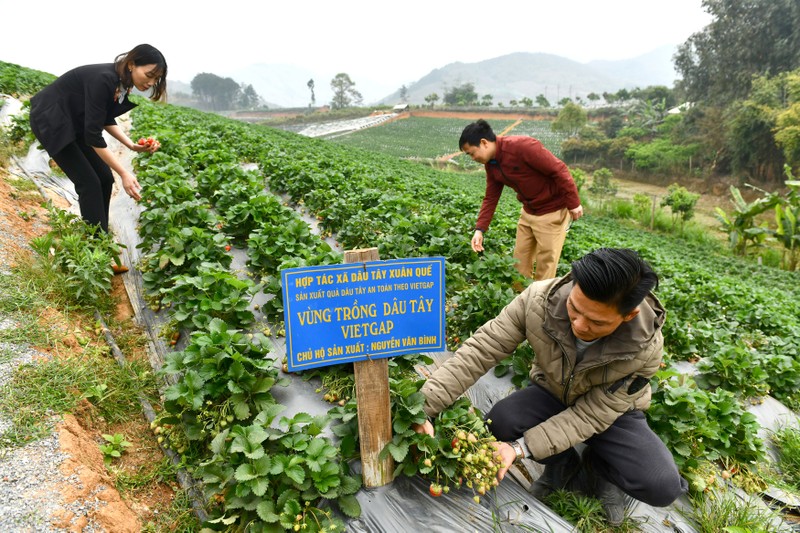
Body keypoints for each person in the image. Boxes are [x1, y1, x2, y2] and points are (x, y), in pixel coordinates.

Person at [413, 248, 688, 525]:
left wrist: (518, 450)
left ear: (628, 316)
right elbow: (483, 348)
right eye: (575, 309)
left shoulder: (645, 347)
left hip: (611, 413)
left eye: (596, 322)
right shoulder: (538, 300)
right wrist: (423, 408)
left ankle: (601, 469)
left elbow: (591, 415)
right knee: (500, 422)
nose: (580, 325)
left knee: (662, 486)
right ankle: (562, 464)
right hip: (553, 391)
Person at [29, 44, 167, 271]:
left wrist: (131, 145)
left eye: (156, 78)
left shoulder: (121, 82)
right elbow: (94, 136)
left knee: (104, 178)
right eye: (149, 75)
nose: (151, 82)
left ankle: (99, 240)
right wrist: (124, 172)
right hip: (52, 120)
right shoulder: (104, 79)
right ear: (132, 64)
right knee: (89, 182)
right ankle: (98, 254)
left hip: (74, 122)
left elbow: (105, 118)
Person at [460, 119, 583, 281]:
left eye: (471, 153)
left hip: (552, 212)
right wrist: (479, 229)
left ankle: (539, 304)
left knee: (545, 267)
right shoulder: (492, 164)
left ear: (484, 143)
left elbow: (559, 170)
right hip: (528, 212)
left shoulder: (523, 147)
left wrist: (574, 203)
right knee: (518, 263)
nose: (472, 158)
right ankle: (519, 301)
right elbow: (491, 197)